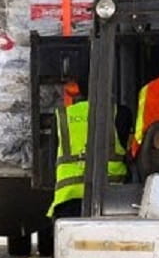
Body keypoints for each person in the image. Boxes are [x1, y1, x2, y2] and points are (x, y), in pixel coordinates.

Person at [53, 81, 128, 216]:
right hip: (113, 199)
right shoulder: (120, 113)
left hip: (68, 200)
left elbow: (51, 161)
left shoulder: (62, 116)